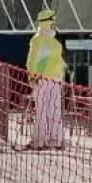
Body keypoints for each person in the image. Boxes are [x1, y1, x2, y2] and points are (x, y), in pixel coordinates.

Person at [26, 10, 66, 150]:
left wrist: (32, 77)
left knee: (41, 110)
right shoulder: (56, 43)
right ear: (49, 22)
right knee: (54, 110)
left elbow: (32, 60)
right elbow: (59, 62)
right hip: (56, 79)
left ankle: (39, 141)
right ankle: (55, 140)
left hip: (41, 79)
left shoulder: (37, 39)